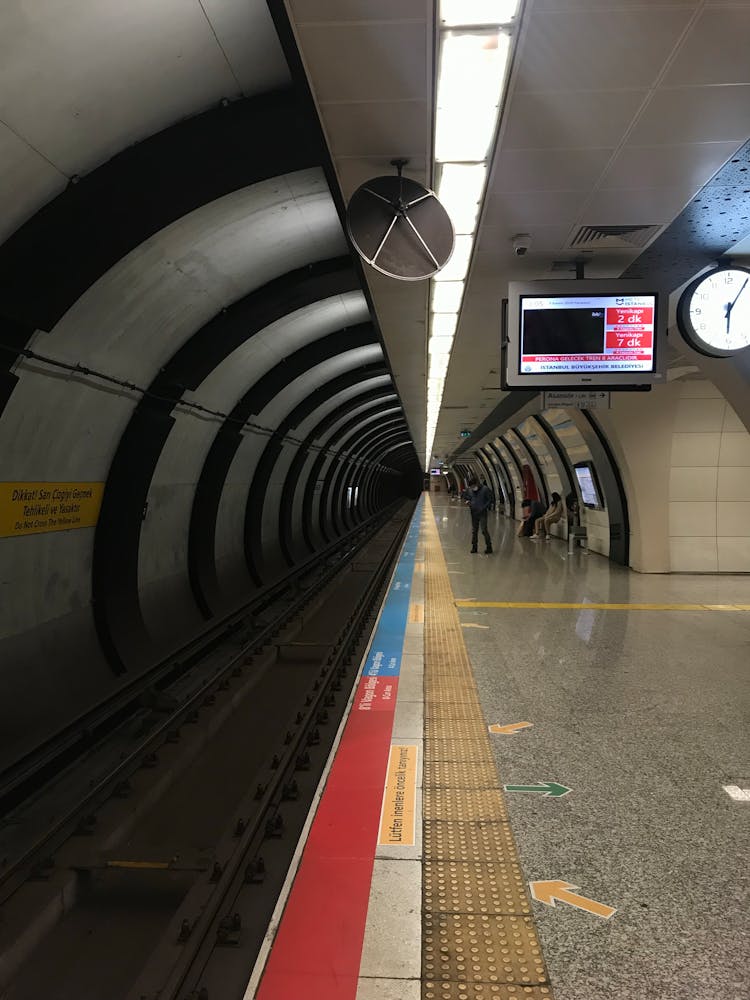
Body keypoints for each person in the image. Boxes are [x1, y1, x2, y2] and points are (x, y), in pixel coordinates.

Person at [464, 479, 493, 554]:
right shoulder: (470, 490)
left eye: (473, 486)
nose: (473, 488)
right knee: (474, 531)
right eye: (471, 487)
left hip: (482, 513)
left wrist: (484, 507)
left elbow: (490, 499)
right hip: (473, 512)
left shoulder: (485, 489)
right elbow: (466, 497)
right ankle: (474, 547)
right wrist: (468, 502)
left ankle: (489, 547)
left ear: (477, 483)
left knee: (484, 530)